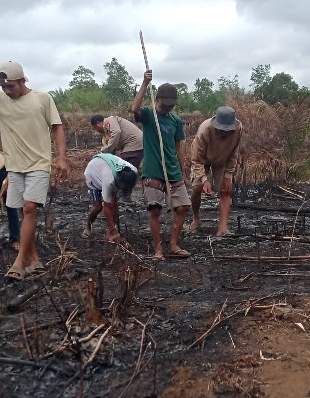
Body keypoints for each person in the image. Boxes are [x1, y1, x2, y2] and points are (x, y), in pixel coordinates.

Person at [0, 50, 69, 280]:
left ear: (23, 81)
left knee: (29, 209)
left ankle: (19, 262)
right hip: (14, 167)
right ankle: (34, 259)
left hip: (38, 163)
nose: (8, 90)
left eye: (11, 86)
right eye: (4, 86)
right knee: (22, 211)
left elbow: (57, 127)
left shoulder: (42, 99)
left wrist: (61, 158)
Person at [131, 70, 191, 260]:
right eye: (165, 105)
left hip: (173, 170)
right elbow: (134, 109)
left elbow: (178, 147)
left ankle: (173, 244)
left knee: (182, 207)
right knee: (155, 210)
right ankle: (158, 250)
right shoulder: (149, 115)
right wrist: (144, 83)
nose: (168, 109)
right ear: (157, 99)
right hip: (153, 170)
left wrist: (183, 170)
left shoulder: (175, 120)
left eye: (171, 106)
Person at [189, 106, 243, 237]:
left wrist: (228, 175)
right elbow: (196, 159)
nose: (225, 133)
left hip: (222, 160)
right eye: (222, 130)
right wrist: (204, 179)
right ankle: (196, 219)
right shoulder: (205, 130)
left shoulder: (238, 128)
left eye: (228, 130)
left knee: (226, 190)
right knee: (197, 188)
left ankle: (222, 228)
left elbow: (234, 152)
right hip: (203, 160)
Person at [81, 153, 138, 243]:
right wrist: (113, 230)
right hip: (93, 173)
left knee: (114, 201)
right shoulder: (109, 180)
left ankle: (109, 232)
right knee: (98, 207)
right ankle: (88, 226)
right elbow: (106, 206)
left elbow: (114, 200)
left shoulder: (133, 171)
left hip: (105, 166)